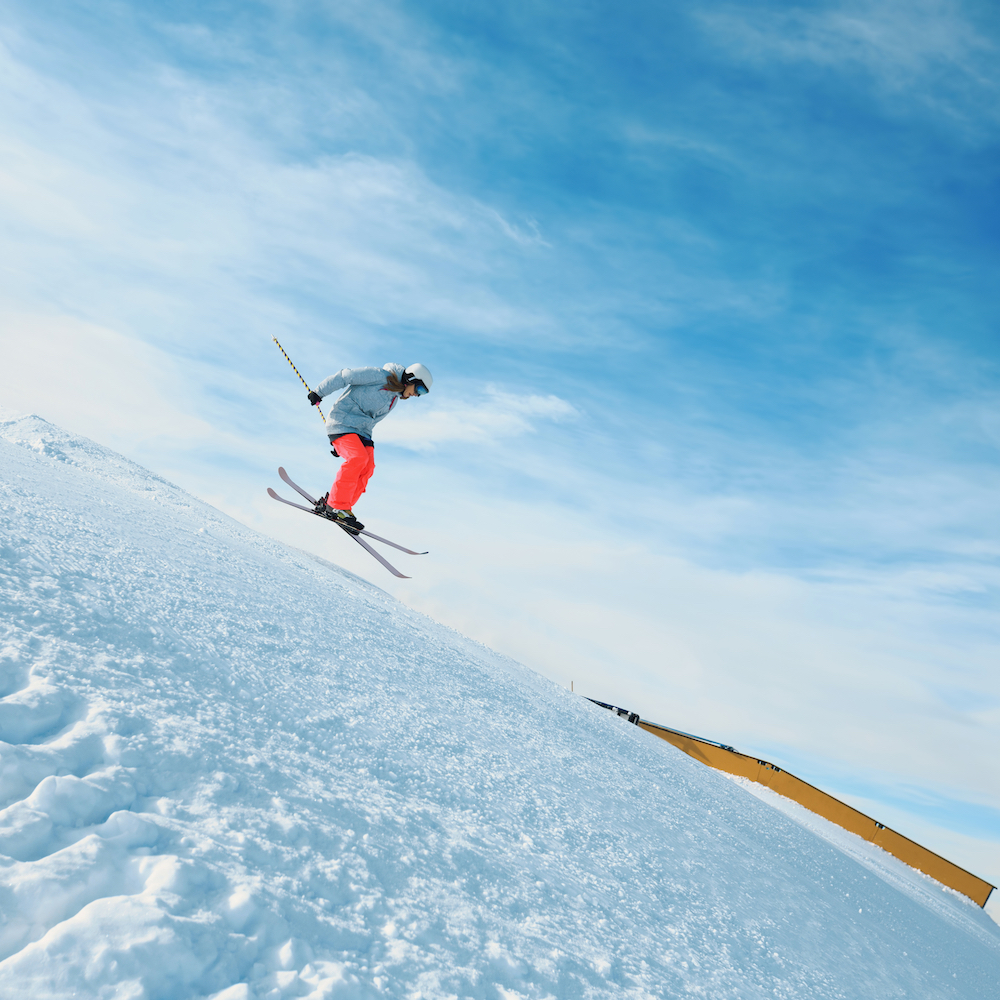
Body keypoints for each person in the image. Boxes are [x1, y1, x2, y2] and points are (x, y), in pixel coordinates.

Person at [306, 362, 433, 532]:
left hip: (362, 431)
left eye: (422, 394)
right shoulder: (379, 376)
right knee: (358, 458)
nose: (417, 395)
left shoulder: (393, 399)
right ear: (410, 378)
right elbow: (345, 376)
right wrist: (319, 392)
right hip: (342, 421)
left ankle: (342, 507)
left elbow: (372, 421)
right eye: (419, 390)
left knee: (367, 466)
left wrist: (349, 445)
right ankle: (337, 506)